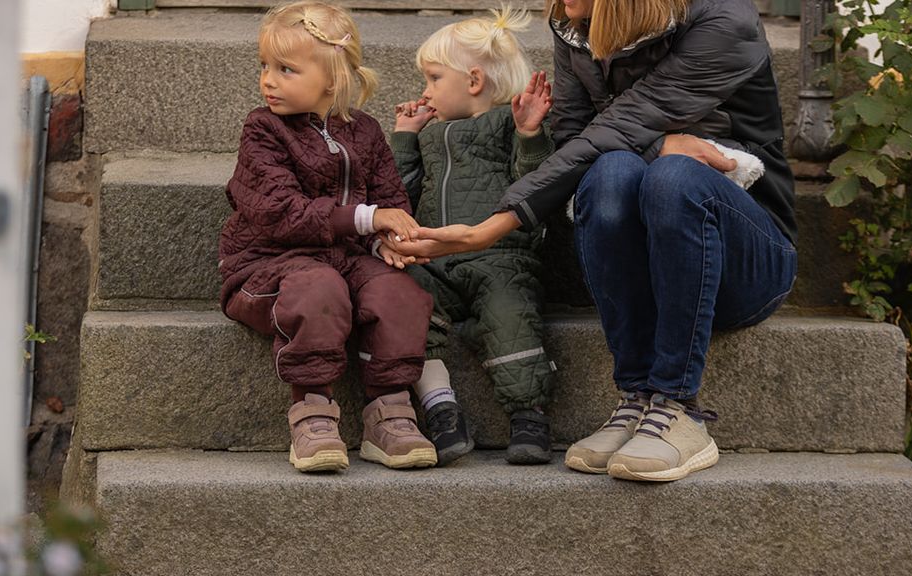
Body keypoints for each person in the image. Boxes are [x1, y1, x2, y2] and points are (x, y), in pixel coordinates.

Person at [386, 0, 798, 482]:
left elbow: (624, 122)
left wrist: (490, 227)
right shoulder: (575, 23)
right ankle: (637, 397)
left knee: (673, 176)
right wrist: (656, 143)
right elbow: (574, 135)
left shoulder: (724, 20)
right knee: (611, 170)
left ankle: (678, 405)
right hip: (650, 261)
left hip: (746, 261)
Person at [218, 0, 439, 473]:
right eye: (264, 67)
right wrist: (367, 219)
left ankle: (389, 410)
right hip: (266, 264)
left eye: (286, 69)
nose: (268, 80)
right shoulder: (263, 130)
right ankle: (313, 411)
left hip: (347, 256)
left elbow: (389, 199)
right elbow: (280, 213)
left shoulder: (366, 132)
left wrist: (388, 242)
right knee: (320, 290)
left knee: (399, 293)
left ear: (332, 80)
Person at [390, 7, 557, 466]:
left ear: (475, 80)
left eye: (433, 77)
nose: (425, 91)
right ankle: (441, 409)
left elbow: (538, 185)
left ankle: (528, 417)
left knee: (509, 314)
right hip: (432, 262)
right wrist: (405, 138)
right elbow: (398, 197)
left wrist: (530, 134)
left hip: (499, 258)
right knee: (400, 306)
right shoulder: (429, 134)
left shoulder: (511, 123)